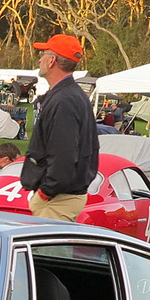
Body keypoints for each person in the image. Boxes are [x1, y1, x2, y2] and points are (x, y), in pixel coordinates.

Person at [21, 33, 99, 221]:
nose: (40, 58)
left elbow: (63, 155)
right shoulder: (72, 95)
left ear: (52, 61)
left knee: (49, 251)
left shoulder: (64, 100)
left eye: (44, 53)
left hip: (58, 198)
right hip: (62, 195)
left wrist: (45, 193)